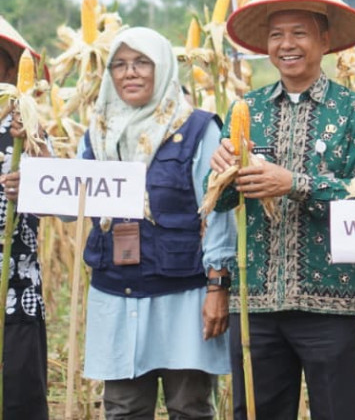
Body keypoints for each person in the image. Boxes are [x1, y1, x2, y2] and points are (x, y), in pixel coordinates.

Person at [211, 0, 355, 420]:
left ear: (325, 40)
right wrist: (221, 176)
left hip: (332, 301)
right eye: (276, 35)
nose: (286, 44)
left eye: (299, 33)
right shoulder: (246, 109)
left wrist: (296, 183)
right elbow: (223, 205)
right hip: (256, 301)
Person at [70, 27, 235, 419]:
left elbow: (217, 212)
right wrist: (28, 180)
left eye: (142, 62)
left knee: (189, 406)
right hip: (116, 291)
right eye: (120, 64)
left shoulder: (198, 130)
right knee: (124, 407)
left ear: (162, 68)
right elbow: (68, 204)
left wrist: (218, 287)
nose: (130, 73)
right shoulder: (96, 135)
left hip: (183, 294)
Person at [0, 17, 50, 419]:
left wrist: (32, 176)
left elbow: (59, 196)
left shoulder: (26, 127)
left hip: (15, 293)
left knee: (17, 401)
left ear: (8, 70)